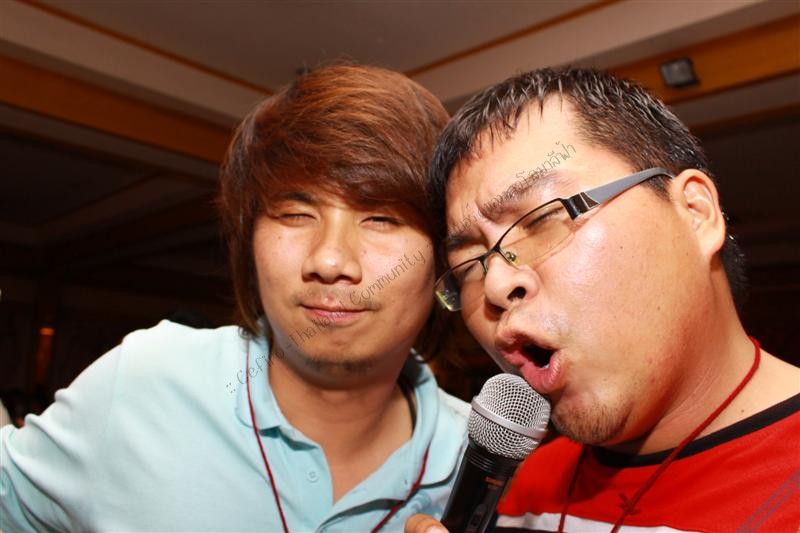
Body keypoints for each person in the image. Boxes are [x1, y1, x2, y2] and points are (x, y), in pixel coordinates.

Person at [1, 64, 469, 532]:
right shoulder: (148, 384)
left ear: (446, 254)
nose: (329, 260)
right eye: (294, 213)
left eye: (382, 219)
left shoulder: (481, 459)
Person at [406, 68, 799, 532]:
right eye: (469, 265)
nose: (494, 286)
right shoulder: (521, 491)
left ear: (696, 213)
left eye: (541, 219)